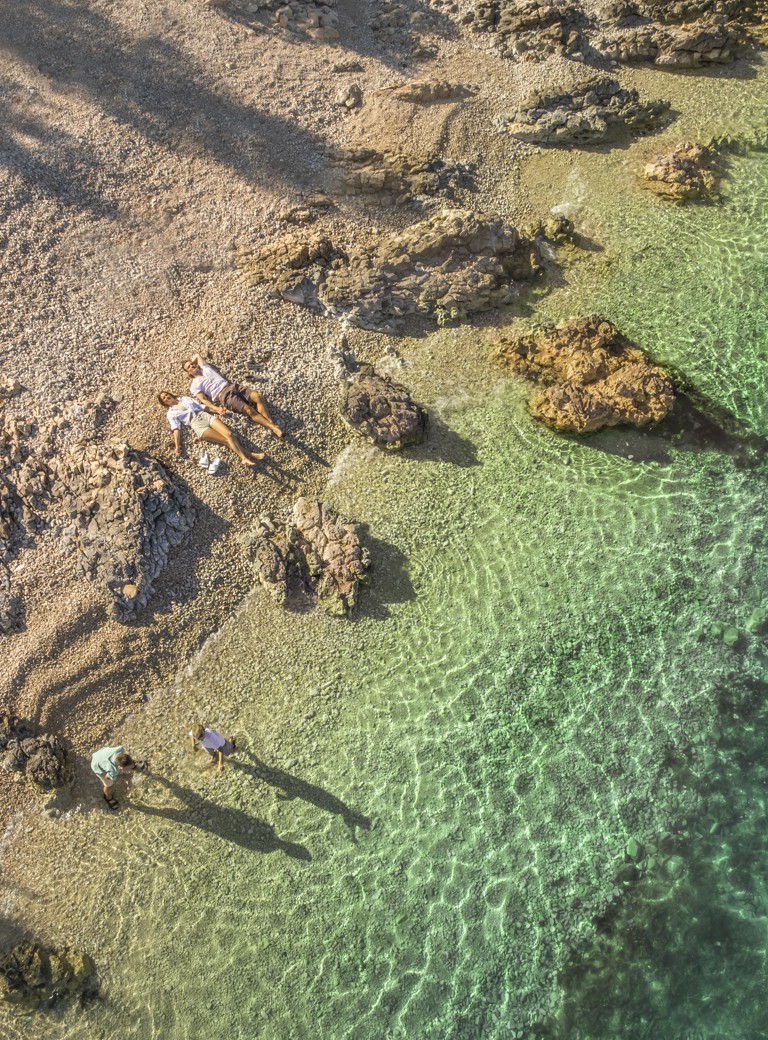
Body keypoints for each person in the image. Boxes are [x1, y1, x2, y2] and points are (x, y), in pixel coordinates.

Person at [183, 353, 283, 438]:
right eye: (189, 367)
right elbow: (203, 400)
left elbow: (197, 355)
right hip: (223, 396)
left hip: (231, 386)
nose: (192, 366)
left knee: (257, 396)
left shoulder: (205, 368)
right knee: (249, 410)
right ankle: (274, 428)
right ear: (188, 373)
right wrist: (216, 408)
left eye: (192, 364)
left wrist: (191, 363)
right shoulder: (194, 385)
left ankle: (271, 424)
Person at [157, 391, 263, 467]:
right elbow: (176, 429)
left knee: (229, 434)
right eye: (164, 398)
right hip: (196, 425)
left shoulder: (184, 399)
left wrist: (216, 410)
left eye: (166, 395)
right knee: (226, 440)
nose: (166, 397)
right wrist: (177, 446)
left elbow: (201, 406)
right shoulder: (171, 414)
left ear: (170, 394)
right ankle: (246, 457)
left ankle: (247, 457)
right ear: (164, 403)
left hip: (204, 415)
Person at [91, 746, 138, 810]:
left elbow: (124, 758)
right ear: (121, 767)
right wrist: (125, 777)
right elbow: (108, 777)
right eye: (128, 767)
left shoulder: (120, 749)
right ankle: (108, 798)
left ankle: (131, 765)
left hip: (99, 754)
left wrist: (129, 764)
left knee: (122, 767)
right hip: (96, 766)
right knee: (109, 785)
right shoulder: (113, 770)